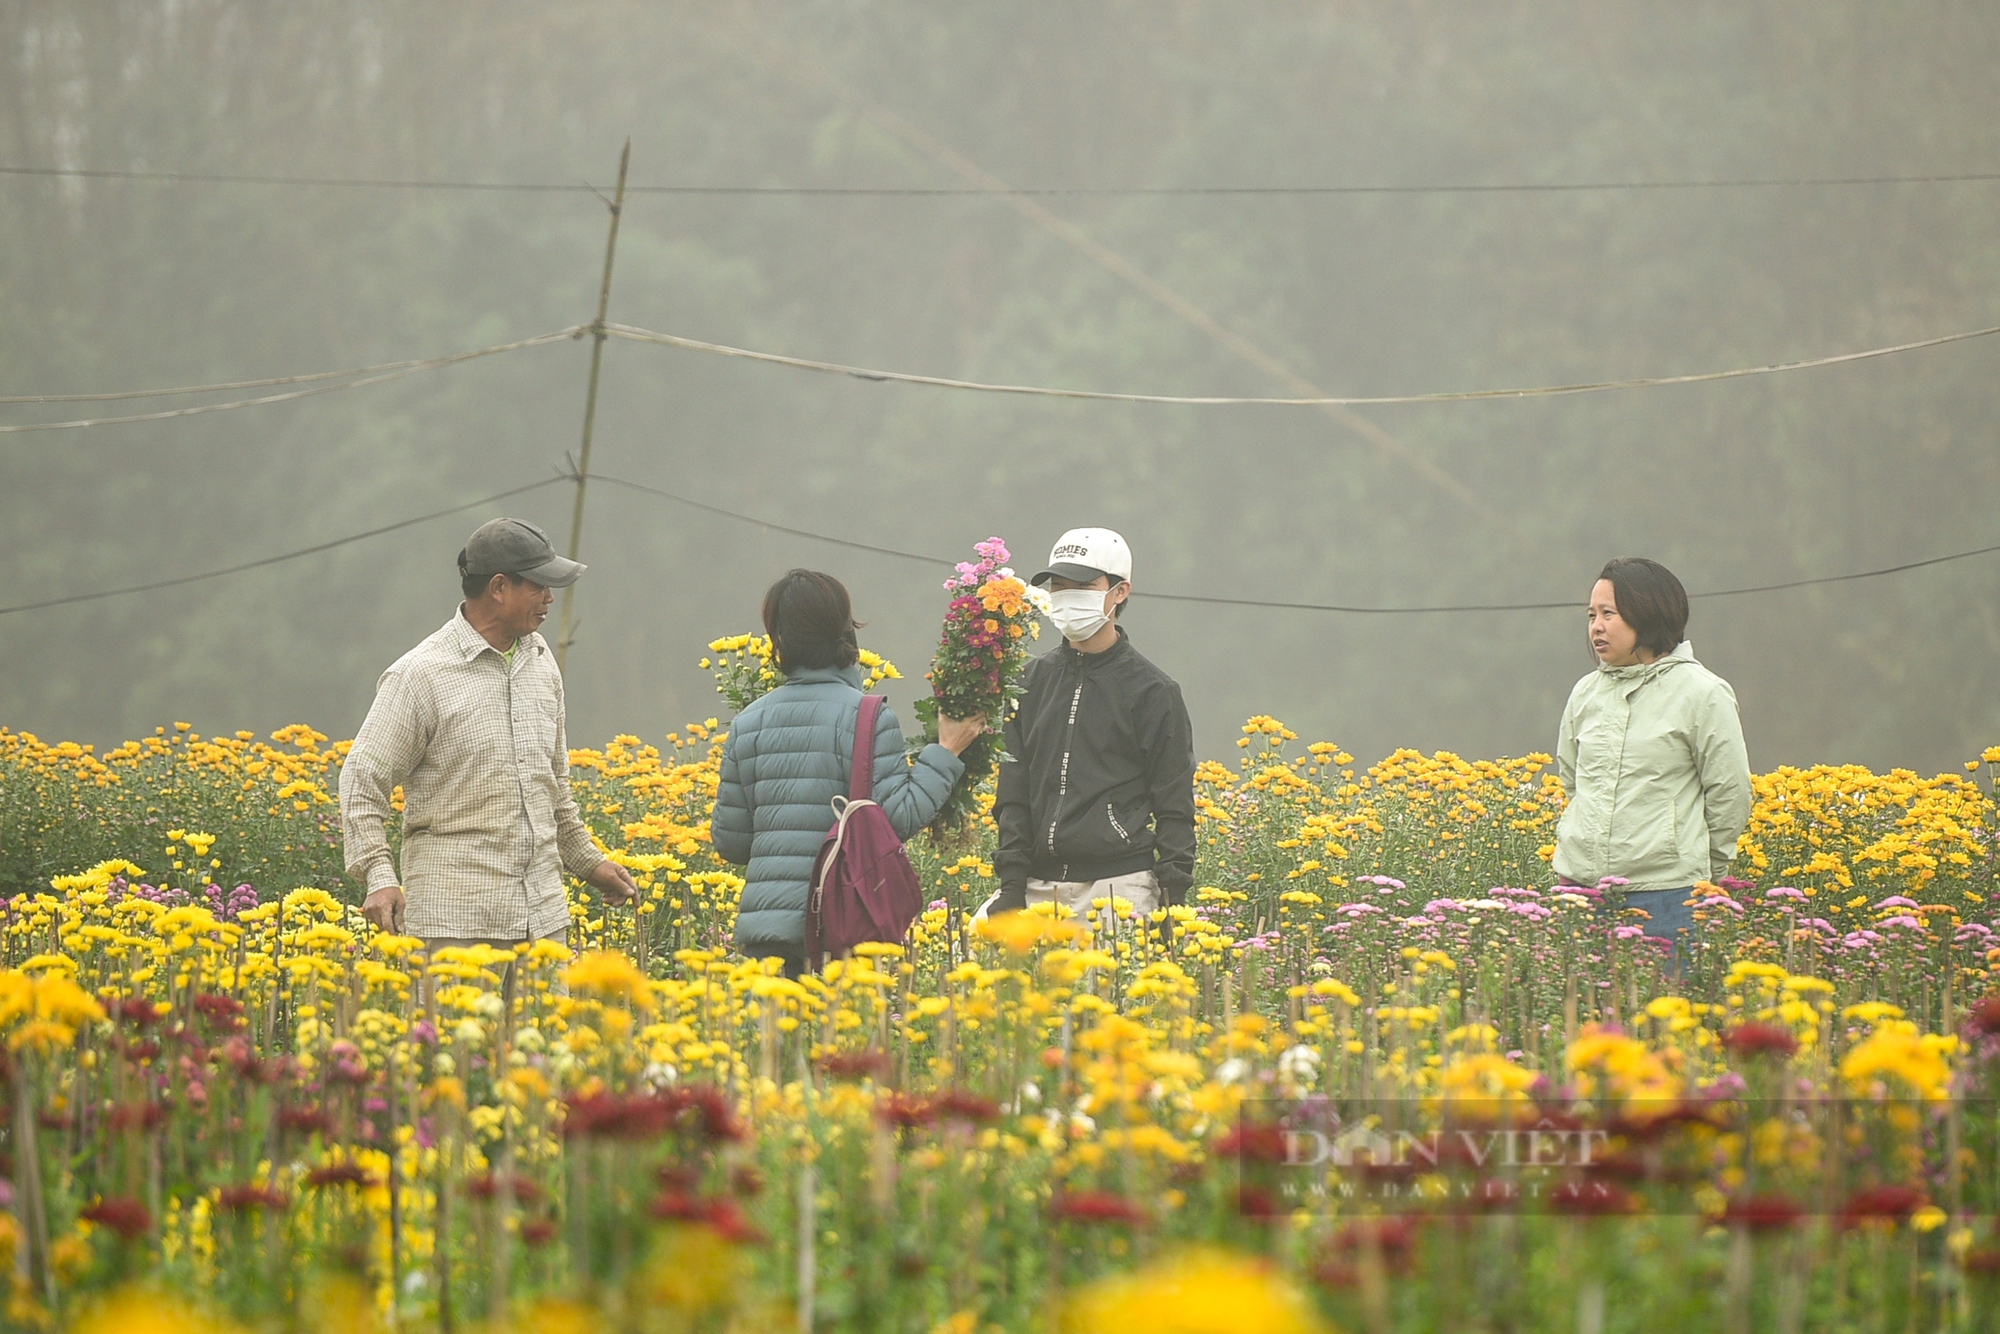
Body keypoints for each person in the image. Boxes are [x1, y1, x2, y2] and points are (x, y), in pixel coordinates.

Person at [341, 518, 639, 954]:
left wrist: (588, 861)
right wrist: (379, 877)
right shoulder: (421, 675)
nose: (550, 599)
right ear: (499, 587)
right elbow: (362, 783)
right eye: (538, 586)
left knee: (546, 1026)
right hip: (456, 923)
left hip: (543, 922)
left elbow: (554, 789)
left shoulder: (540, 662)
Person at [711, 569, 985, 974]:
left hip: (767, 940)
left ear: (778, 639)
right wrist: (947, 752)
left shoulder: (748, 722)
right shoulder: (868, 716)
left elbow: (731, 844)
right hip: (840, 931)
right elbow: (897, 818)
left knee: (774, 1038)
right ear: (845, 629)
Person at [985, 528, 1198, 934]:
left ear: (1120, 592)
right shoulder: (1028, 682)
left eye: (1083, 586)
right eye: (1059, 587)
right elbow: (1013, 792)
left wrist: (1173, 901)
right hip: (1036, 887)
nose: (1067, 598)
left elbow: (1174, 805)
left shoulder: (1153, 691)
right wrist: (1011, 885)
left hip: (1120, 886)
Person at [1554, 557, 1752, 969]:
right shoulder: (1584, 694)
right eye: (1592, 615)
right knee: (1582, 1022)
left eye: (1609, 613)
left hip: (1667, 896)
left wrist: (1701, 870)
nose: (1596, 627)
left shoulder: (1703, 693)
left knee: (1664, 1022)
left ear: (1648, 612)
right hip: (1580, 891)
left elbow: (1729, 793)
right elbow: (1573, 782)